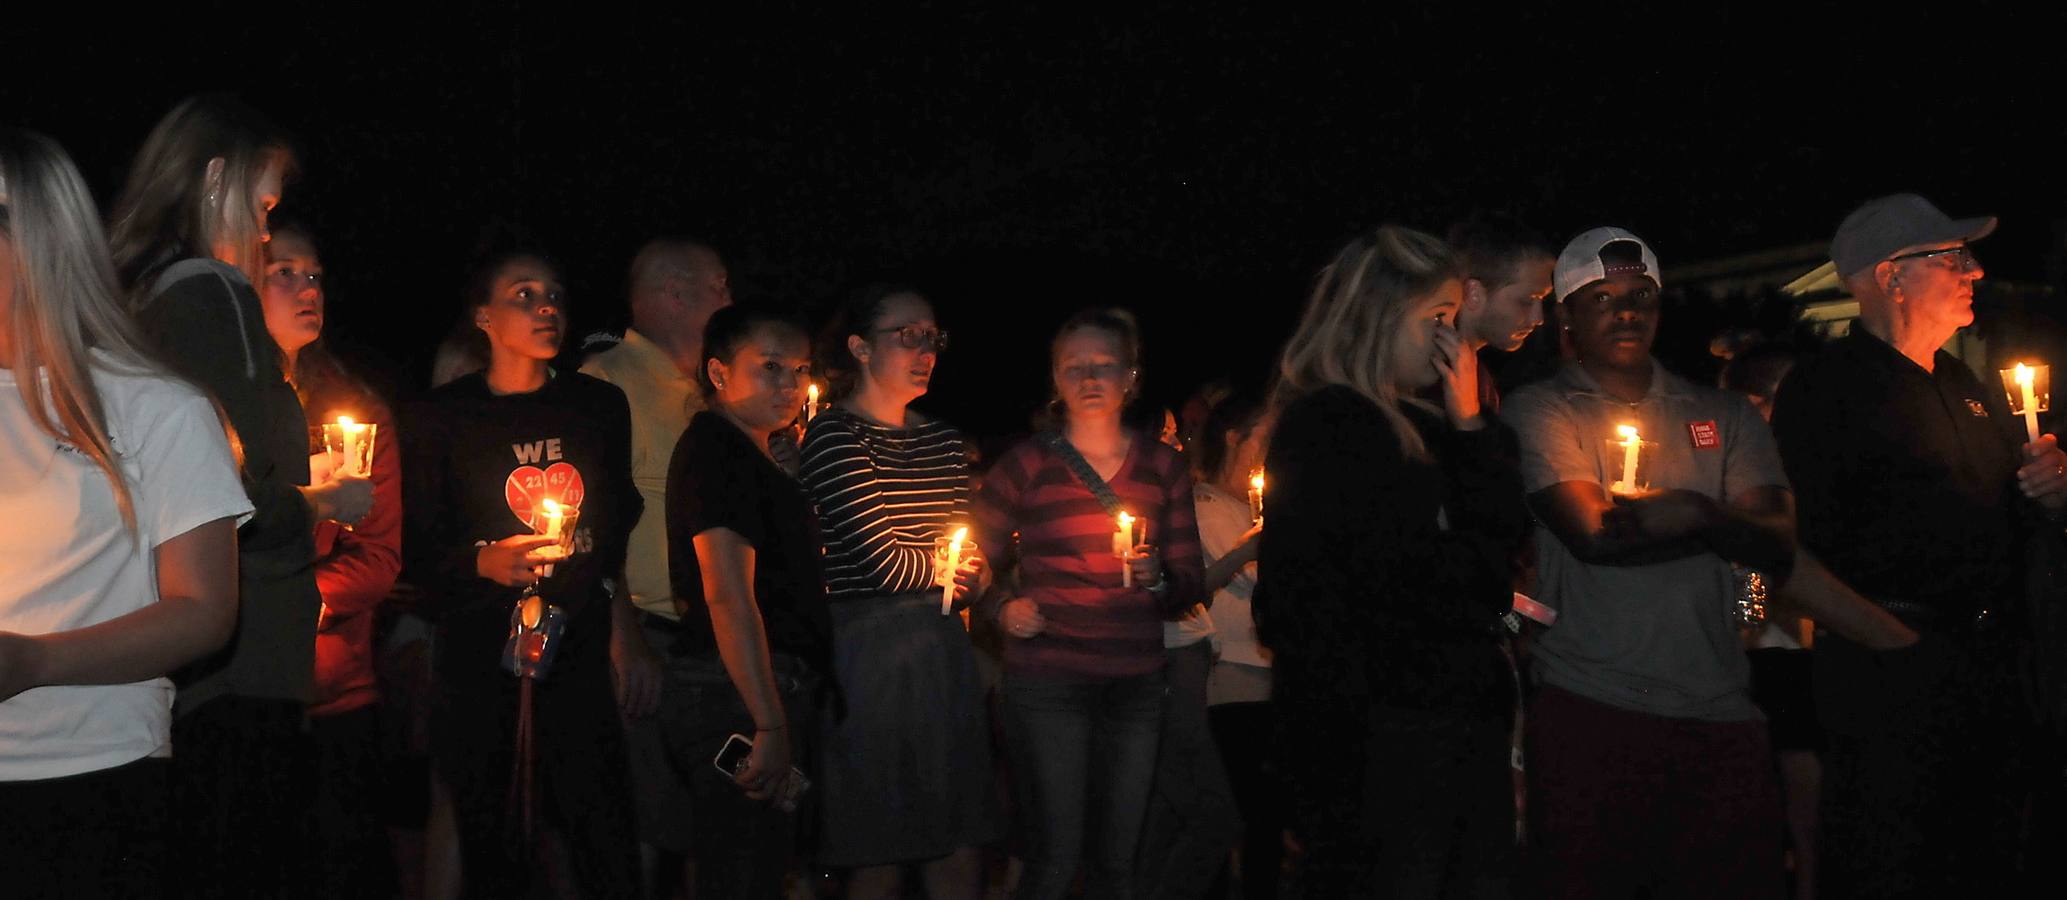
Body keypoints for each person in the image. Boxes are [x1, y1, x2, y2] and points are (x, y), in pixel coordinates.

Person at [107, 93, 371, 897]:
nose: (263, 234)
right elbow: (235, 498)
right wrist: (323, 506)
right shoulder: (214, 295)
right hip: (239, 664)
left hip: (190, 663)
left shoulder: (142, 296)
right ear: (216, 178)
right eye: (262, 208)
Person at [1770, 194, 2066, 898]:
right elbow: (1782, 546)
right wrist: (1897, 643)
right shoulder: (1826, 389)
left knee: (1986, 858)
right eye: (1952, 257)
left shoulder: (1959, 382)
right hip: (1887, 677)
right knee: (1895, 863)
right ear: (1888, 276)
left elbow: (2006, 516)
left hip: (1989, 672)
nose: (1974, 271)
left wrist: (2052, 490)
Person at [1503, 227, 1793, 900]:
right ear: (1565, 314)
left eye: (1641, 296)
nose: (1626, 312)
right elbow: (1594, 535)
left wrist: (1702, 524)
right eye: (1601, 298)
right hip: (1593, 712)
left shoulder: (1720, 414)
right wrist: (1726, 527)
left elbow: (1776, 545)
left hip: (1722, 713)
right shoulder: (1540, 409)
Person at [0, 128, 250, 899]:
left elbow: (205, 611)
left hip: (88, 778)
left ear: (38, 238)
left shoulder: (155, 410)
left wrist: (35, 662)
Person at [1253, 225, 1526, 897]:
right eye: (1436, 319)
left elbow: (1500, 541)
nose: (1449, 340)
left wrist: (1469, 425)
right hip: (1384, 745)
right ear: (1377, 316)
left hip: (1441, 733)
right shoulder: (1330, 426)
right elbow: (1334, 600)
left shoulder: (1431, 425)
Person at [400, 251, 643, 897]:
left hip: (578, 647)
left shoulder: (596, 406)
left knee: (599, 825)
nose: (547, 309)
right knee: (496, 832)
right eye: (524, 295)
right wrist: (480, 561)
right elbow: (414, 546)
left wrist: (608, 600)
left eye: (555, 295)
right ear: (483, 316)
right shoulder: (440, 418)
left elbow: (621, 508)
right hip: (479, 657)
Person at [971, 308, 1205, 900]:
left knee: (1118, 861)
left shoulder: (1164, 466)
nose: (1089, 377)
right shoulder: (1027, 464)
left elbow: (1188, 585)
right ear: (1055, 377)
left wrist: (1157, 580)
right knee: (1053, 856)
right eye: (1074, 366)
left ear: (1131, 375)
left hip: (1135, 686)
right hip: (1049, 683)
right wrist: (1000, 607)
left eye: (1105, 365)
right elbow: (969, 557)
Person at [801, 285, 998, 899]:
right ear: (860, 348)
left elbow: (964, 558)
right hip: (872, 655)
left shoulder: (942, 440)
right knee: (880, 841)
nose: (926, 350)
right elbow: (883, 563)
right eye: (907, 335)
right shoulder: (834, 435)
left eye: (933, 337)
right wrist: (954, 569)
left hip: (941, 650)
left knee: (958, 834)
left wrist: (971, 571)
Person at [662, 304, 833, 900]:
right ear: (718, 372)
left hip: (754, 685)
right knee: (740, 871)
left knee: (759, 867)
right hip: (733, 692)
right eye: (770, 367)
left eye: (800, 369)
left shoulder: (756, 453)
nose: (789, 384)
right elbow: (728, 593)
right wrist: (768, 720)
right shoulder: (718, 452)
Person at [577, 237, 731, 896]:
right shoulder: (605, 384)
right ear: (674, 294)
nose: (730, 302)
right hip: (644, 643)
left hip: (712, 646)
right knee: (638, 824)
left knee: (713, 821)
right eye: (719, 287)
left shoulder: (708, 393)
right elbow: (587, 527)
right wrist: (623, 635)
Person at [258, 220, 406, 899]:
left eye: (313, 274)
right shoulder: (212, 410)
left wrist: (293, 603)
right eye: (282, 272)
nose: (305, 287)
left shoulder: (353, 413)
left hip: (333, 688)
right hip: (241, 689)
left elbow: (377, 555)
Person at [1719, 341, 1820, 900]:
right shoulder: (1739, 467)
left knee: (1809, 819)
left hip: (1796, 657)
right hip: (1757, 660)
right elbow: (1751, 575)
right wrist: (1749, 617)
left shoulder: (1799, 464)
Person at [1193, 388, 1283, 900]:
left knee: (1263, 823)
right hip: (1232, 687)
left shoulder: (1238, 509)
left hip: (1263, 681)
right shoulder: (1206, 509)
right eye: (1266, 434)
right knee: (1246, 819)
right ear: (1235, 438)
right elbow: (1255, 580)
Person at [1446, 214, 1557, 409]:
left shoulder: (1479, 379)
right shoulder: (1427, 381)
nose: (1538, 319)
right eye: (1527, 300)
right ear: (1474, 293)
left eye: (1542, 301)